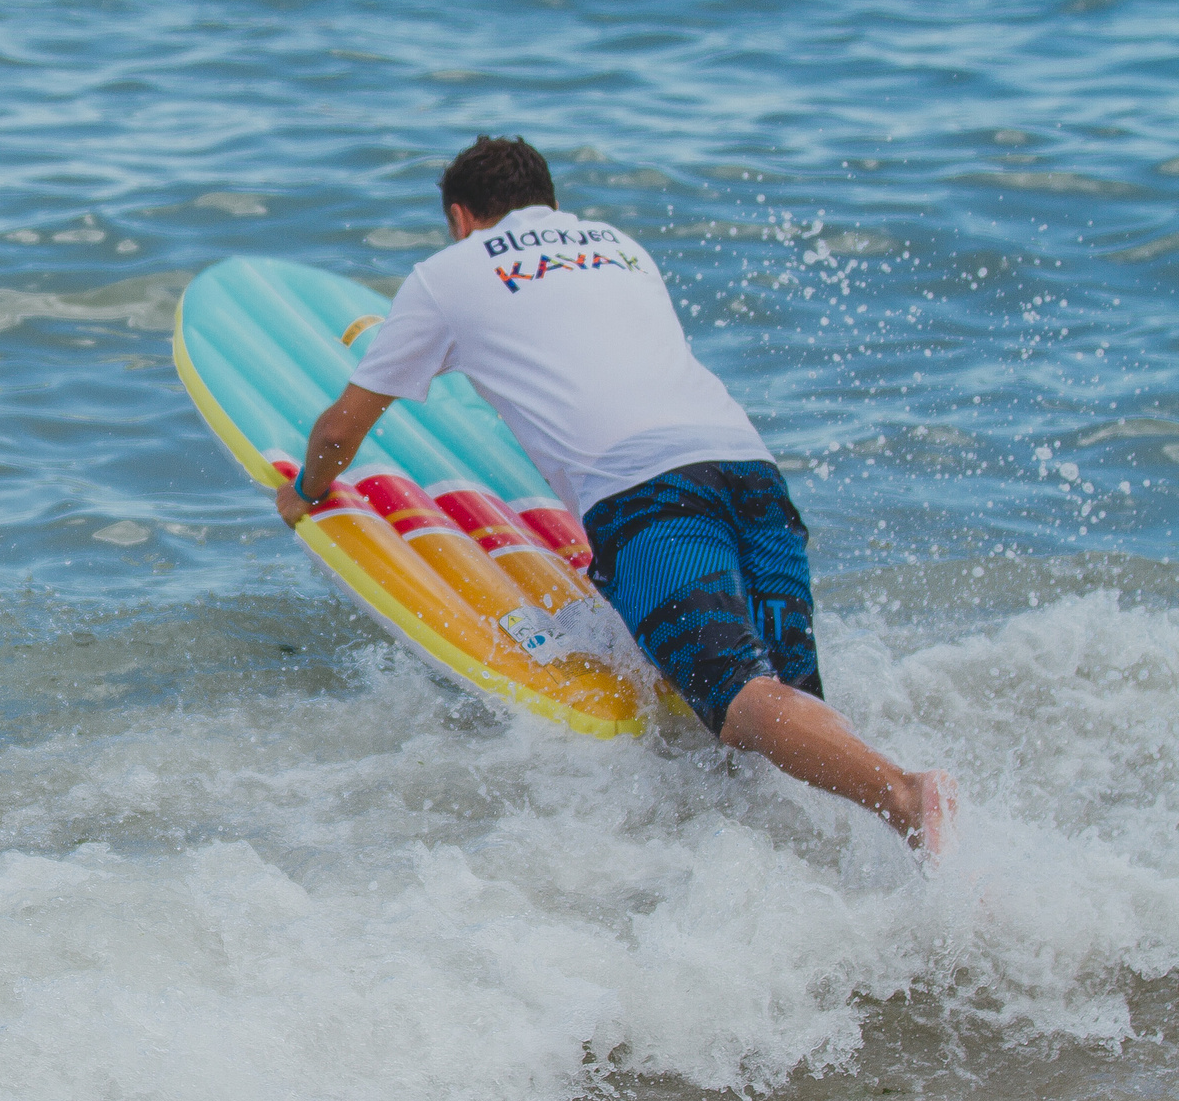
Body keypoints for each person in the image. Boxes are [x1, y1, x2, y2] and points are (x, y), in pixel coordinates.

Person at [271, 136, 956, 852]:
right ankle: (894, 878)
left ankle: (909, 797)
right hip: (752, 470)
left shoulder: (449, 273)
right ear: (551, 204)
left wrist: (306, 492)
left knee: (740, 703)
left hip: (651, 494)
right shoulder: (621, 246)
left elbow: (343, 428)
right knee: (789, 706)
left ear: (461, 217)